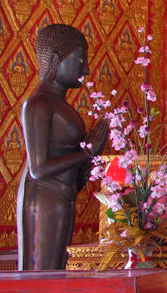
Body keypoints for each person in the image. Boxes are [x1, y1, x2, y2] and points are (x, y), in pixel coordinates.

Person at [17, 24, 109, 270]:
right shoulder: (38, 104)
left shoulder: (61, 106)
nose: (86, 69)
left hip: (63, 197)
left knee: (56, 273)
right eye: (80, 60)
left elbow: (76, 177)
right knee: (41, 279)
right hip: (43, 198)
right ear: (56, 59)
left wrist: (92, 156)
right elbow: (38, 169)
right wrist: (85, 153)